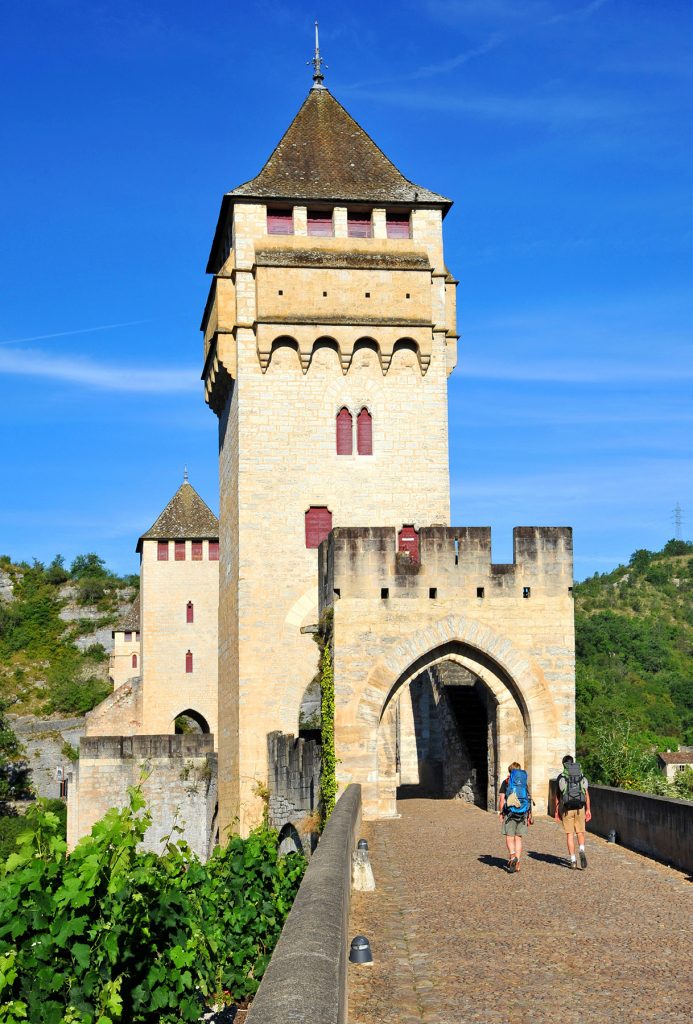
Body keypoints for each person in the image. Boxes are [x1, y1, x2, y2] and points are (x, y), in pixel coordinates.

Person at [554, 754, 591, 869]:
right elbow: (586, 794)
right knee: (580, 832)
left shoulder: (561, 777)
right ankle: (581, 849)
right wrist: (588, 809)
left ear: (563, 764)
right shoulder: (581, 775)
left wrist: (556, 811)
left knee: (570, 834)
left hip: (567, 809)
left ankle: (573, 860)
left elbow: (558, 796)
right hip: (580, 807)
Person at [498, 761, 532, 873]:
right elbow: (528, 798)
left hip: (510, 813)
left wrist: (501, 813)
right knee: (518, 838)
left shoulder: (507, 782)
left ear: (510, 771)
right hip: (522, 813)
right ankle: (517, 863)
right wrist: (529, 815)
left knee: (509, 836)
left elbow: (502, 799)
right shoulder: (523, 782)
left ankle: (512, 856)